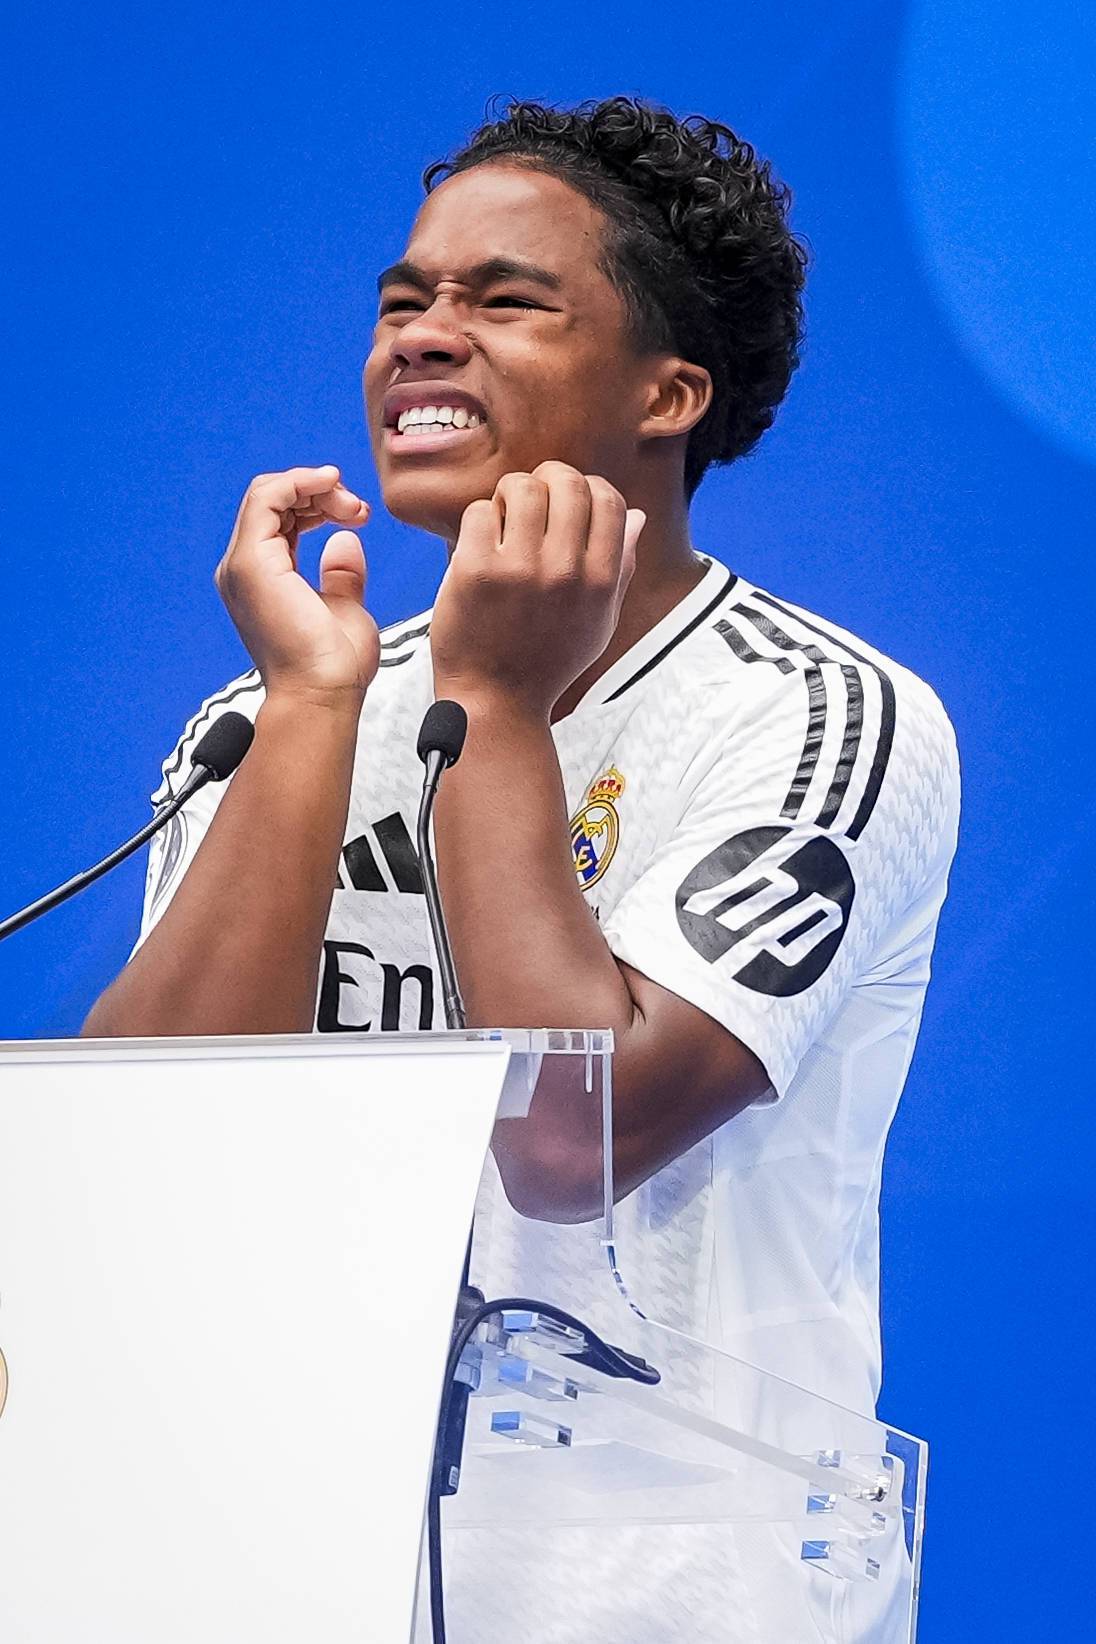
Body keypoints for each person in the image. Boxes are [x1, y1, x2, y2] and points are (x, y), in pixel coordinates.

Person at [84, 96, 958, 1637]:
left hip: (669, 1598)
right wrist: (306, 707)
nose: (423, 336)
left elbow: (571, 1145)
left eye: (504, 300)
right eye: (404, 300)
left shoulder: (820, 712)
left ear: (669, 392)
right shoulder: (272, 711)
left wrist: (488, 701)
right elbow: (141, 1164)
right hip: (279, 1575)